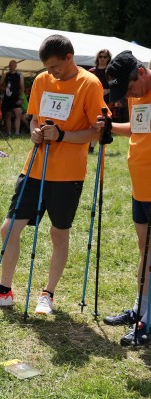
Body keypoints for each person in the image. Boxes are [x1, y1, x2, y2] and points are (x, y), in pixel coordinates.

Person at [0, 35, 106, 315]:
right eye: (46, 67)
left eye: (54, 67)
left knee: (58, 234)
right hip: (35, 167)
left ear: (69, 57)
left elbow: (96, 130)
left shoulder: (89, 84)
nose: (51, 72)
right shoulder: (41, 81)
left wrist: (63, 135)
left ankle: (47, 294)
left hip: (68, 173)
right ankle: (3, 290)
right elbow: (34, 116)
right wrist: (35, 130)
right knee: (9, 228)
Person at [102, 51, 151, 346]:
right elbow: (137, 128)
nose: (128, 95)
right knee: (145, 252)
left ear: (141, 72)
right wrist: (108, 126)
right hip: (140, 186)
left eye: (130, 88)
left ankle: (148, 321)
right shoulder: (137, 94)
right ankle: (140, 309)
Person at [88, 49, 112, 153]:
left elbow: (114, 85)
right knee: (89, 123)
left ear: (108, 58)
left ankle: (91, 147)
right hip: (90, 100)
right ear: (97, 57)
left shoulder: (111, 72)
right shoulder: (91, 71)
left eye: (105, 57)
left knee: (100, 123)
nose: (102, 59)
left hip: (104, 102)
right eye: (100, 56)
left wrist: (106, 91)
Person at [0, 60, 24, 137]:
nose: (11, 66)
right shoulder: (6, 74)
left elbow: (22, 87)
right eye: (10, 65)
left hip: (16, 98)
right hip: (7, 98)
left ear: (15, 66)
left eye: (12, 65)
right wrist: (5, 89)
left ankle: (17, 132)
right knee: (8, 115)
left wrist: (20, 98)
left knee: (18, 114)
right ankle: (9, 132)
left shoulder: (19, 75)